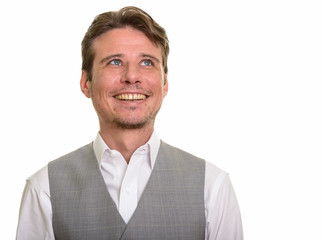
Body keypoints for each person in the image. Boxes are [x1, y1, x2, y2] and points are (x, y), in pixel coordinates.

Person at [16, 6, 243, 240]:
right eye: (115, 62)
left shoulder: (212, 187)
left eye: (146, 62)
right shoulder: (44, 189)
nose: (132, 76)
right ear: (86, 83)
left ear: (164, 84)